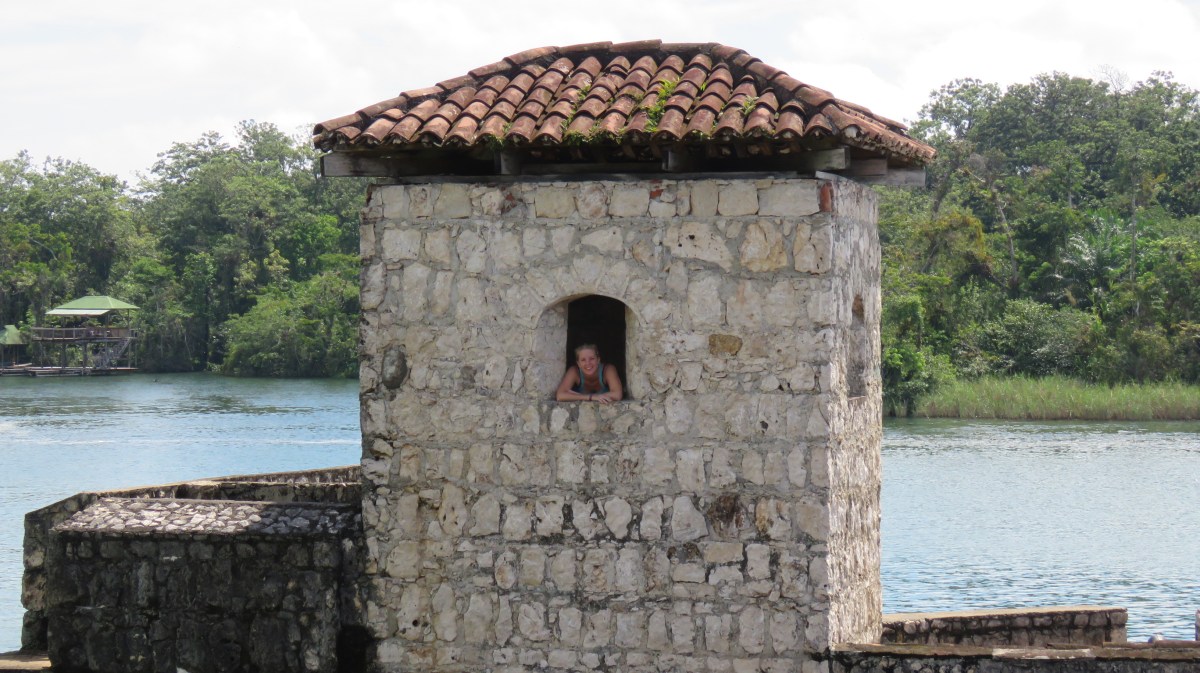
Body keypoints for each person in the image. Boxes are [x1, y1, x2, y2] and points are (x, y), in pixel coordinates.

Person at [556, 343, 623, 404]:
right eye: (583, 360)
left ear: (598, 360)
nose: (588, 363)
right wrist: (592, 397)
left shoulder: (607, 369)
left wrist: (579, 396)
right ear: (578, 363)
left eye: (592, 358)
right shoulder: (574, 371)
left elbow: (617, 394)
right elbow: (560, 396)